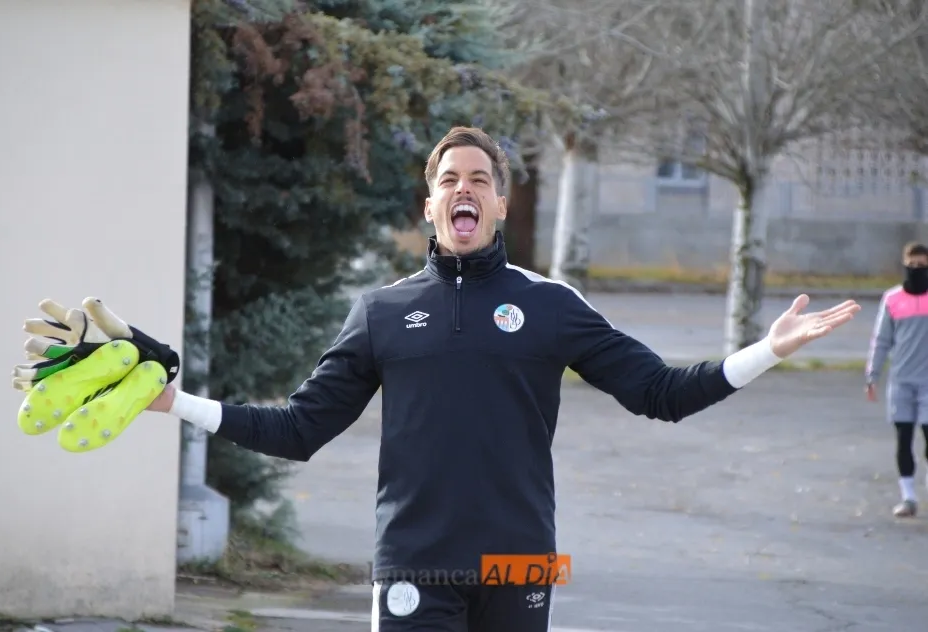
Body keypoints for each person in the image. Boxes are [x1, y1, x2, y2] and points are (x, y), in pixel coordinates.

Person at [147, 127, 860, 631]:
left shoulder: (550, 305)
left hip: (517, 565)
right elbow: (299, 429)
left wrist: (765, 351)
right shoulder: (381, 313)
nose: (464, 189)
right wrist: (176, 402)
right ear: (430, 206)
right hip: (414, 566)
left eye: (479, 180)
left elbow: (661, 395)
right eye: (449, 181)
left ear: (500, 205)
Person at [866, 241, 928, 518]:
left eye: (922, 265)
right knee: (903, 439)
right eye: (912, 265)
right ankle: (908, 497)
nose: (916, 269)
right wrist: (873, 375)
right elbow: (881, 340)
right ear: (904, 265)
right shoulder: (892, 299)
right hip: (901, 382)